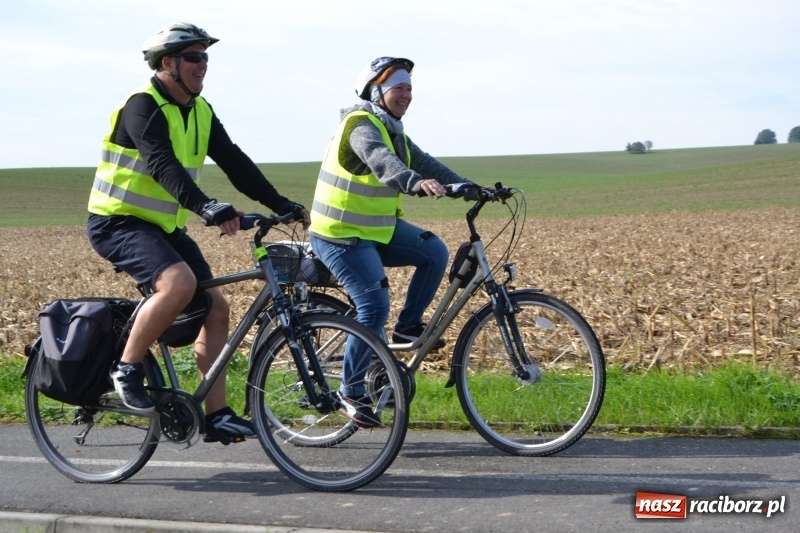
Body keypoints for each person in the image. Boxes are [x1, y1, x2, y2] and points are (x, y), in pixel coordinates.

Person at [86, 22, 308, 445]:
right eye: (193, 56)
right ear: (167, 63)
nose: (202, 64)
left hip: (164, 226)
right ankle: (127, 367)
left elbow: (235, 162)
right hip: (117, 222)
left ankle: (217, 414)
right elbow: (161, 164)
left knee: (215, 308)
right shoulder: (142, 105)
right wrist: (207, 206)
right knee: (180, 283)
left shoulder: (200, 110)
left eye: (205, 56)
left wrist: (280, 203)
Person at [308, 56, 484, 427]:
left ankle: (408, 327)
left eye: (409, 88)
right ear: (376, 91)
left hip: (376, 231)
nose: (406, 95)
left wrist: (470, 187)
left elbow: (425, 162)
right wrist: (413, 182)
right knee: (372, 306)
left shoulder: (393, 129)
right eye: (398, 88)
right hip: (340, 235)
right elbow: (379, 159)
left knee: (434, 250)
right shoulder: (360, 124)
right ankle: (350, 391)